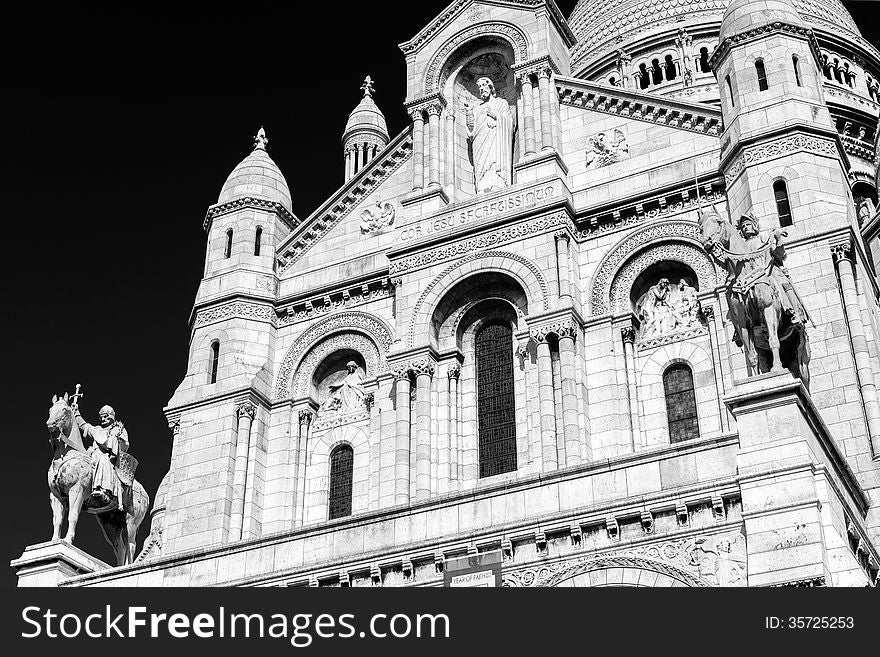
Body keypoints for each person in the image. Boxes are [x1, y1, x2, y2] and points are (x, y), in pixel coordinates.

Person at [75, 404, 129, 510]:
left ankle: (104, 491)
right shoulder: (97, 429)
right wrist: (76, 412)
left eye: (105, 416)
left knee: (103, 460)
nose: (103, 419)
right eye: (101, 417)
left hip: (107, 457)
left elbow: (124, 445)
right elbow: (84, 425)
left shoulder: (118, 429)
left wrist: (114, 441)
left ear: (111, 417)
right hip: (92, 455)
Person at [466, 77, 513, 193]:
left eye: (483, 86)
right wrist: (469, 113)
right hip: (480, 142)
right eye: (479, 87)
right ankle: (481, 187)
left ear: (490, 87)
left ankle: (498, 183)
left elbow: (510, 124)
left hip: (496, 140)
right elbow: (472, 129)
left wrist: (496, 115)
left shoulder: (501, 103)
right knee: (481, 165)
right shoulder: (478, 108)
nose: (481, 89)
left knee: (493, 161)